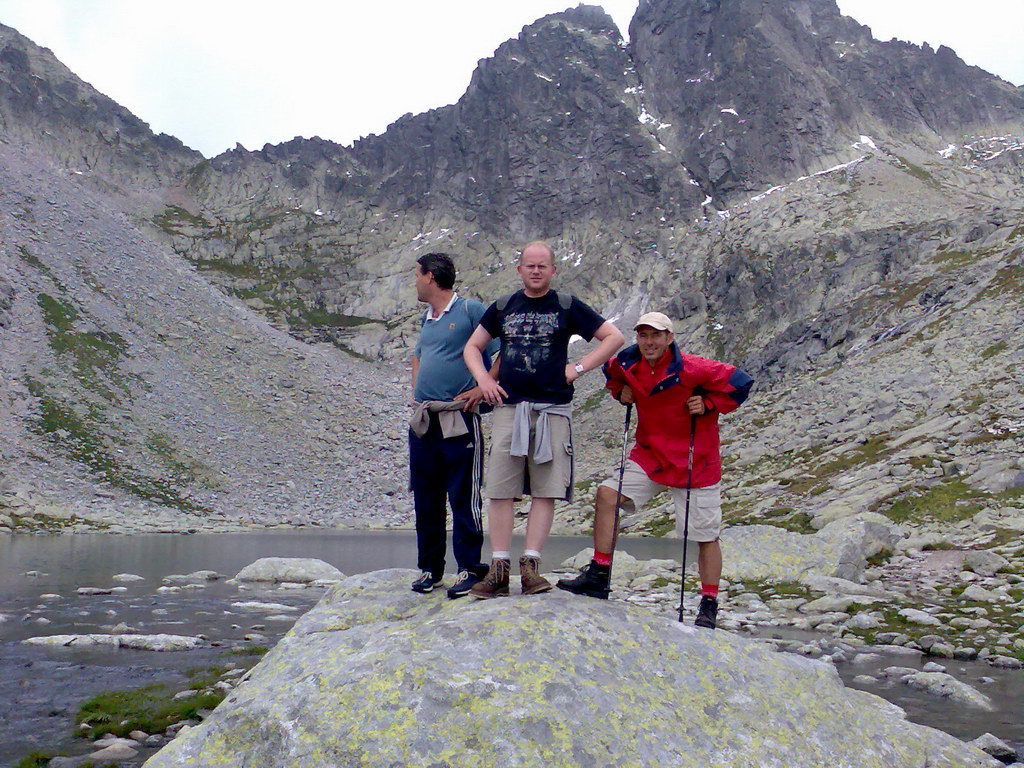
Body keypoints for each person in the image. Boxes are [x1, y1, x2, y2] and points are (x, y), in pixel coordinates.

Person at [556, 311, 753, 629]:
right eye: (643, 335)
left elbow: (741, 383)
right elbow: (611, 374)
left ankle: (709, 602)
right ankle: (599, 574)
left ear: (669, 338)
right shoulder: (626, 362)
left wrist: (709, 404)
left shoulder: (696, 368)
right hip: (649, 455)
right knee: (607, 494)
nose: (649, 342)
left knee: (704, 536)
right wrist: (620, 393)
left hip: (694, 460)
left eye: (656, 335)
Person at [463, 241, 624, 598]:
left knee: (545, 490)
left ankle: (531, 567)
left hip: (552, 409)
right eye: (529, 266)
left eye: (542, 266)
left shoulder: (567, 306)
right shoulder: (503, 306)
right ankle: (499, 569)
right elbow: (472, 347)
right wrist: (485, 380)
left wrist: (578, 368)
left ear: (553, 270)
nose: (536, 271)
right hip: (509, 408)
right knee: (501, 490)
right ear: (519, 269)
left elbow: (613, 337)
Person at [408, 253, 499, 598]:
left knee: (463, 495)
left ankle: (470, 568)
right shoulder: (427, 318)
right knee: (426, 497)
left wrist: (482, 387)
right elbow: (419, 354)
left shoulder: (470, 311)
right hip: (425, 418)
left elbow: (501, 348)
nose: (415, 281)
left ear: (430, 276)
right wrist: (417, 393)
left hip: (459, 417)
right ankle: (430, 568)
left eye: (417, 275)